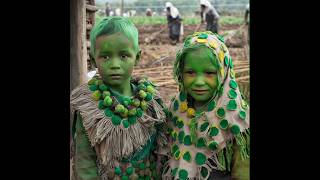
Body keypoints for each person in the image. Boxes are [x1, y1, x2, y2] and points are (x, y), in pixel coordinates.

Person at [70, 16, 168, 180]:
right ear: (93, 60)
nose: (115, 64)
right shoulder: (89, 106)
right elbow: (84, 161)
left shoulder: (151, 101)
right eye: (105, 57)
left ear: (137, 57)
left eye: (123, 56)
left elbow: (161, 149)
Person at [162, 31, 250, 180]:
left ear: (224, 72)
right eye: (190, 72)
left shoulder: (237, 118)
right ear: (180, 74)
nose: (199, 82)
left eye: (209, 73)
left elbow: (242, 172)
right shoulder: (177, 107)